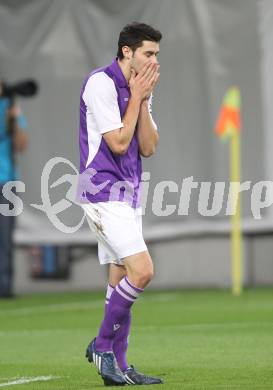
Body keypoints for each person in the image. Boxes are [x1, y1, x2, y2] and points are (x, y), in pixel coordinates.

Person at [77, 22, 162, 386]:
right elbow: (118, 142)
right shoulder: (101, 83)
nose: (155, 61)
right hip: (101, 192)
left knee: (120, 279)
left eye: (157, 54)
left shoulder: (139, 87)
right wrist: (135, 95)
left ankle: (120, 367)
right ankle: (101, 344)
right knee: (142, 271)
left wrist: (141, 99)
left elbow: (148, 146)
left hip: (127, 193)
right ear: (127, 51)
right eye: (148, 53)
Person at [0, 81, 28, 298]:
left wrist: (14, 119)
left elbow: (21, 144)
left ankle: (5, 286)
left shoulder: (10, 108)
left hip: (6, 182)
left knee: (5, 237)